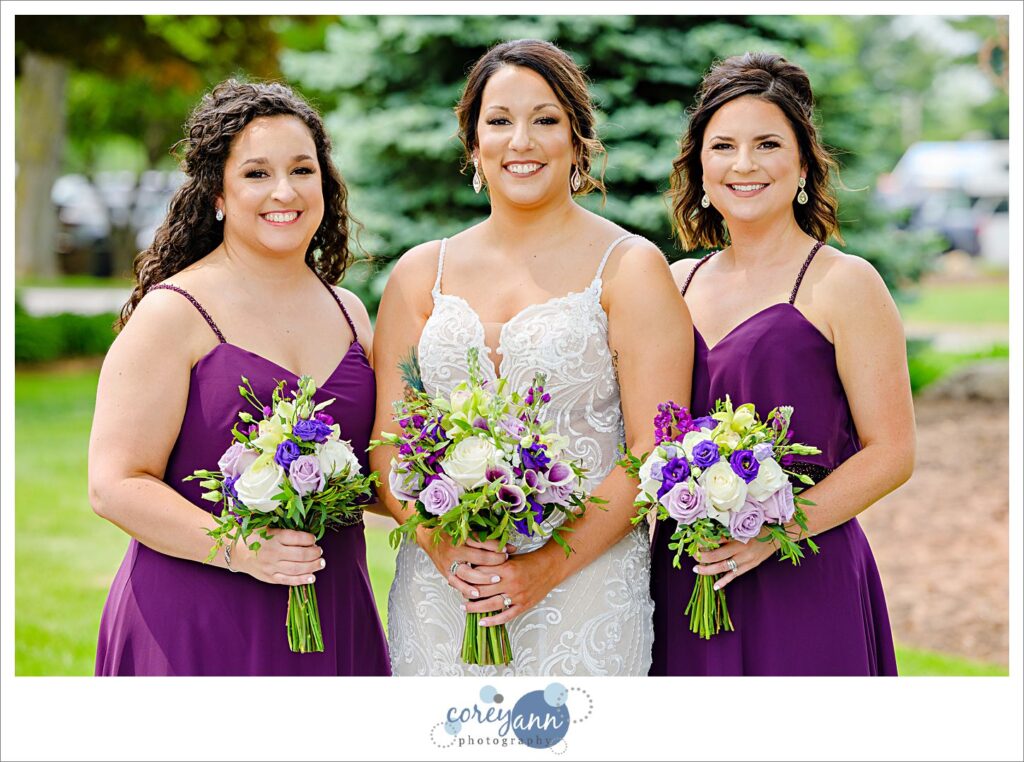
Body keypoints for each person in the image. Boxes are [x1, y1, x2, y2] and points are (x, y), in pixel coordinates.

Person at [371, 39, 692, 676]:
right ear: (473, 145)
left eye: (545, 120)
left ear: (577, 141)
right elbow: (387, 442)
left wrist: (547, 566)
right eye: (499, 121)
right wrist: (441, 546)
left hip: (585, 588)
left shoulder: (630, 269)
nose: (522, 140)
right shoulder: (418, 274)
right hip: (444, 591)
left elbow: (654, 449)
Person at [90, 79, 390, 676]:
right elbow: (114, 483)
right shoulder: (174, 313)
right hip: (196, 619)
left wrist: (467, 504)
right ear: (218, 194)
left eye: (303, 169)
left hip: (331, 608)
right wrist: (240, 549)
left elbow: (375, 472)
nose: (285, 191)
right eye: (256, 174)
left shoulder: (350, 313)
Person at [651, 52, 914, 675]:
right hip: (688, 571)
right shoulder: (673, 282)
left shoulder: (845, 283)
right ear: (700, 167)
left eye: (767, 144)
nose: (744, 165)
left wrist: (774, 533)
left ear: (802, 164)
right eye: (723, 146)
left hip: (804, 572)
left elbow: (892, 452)